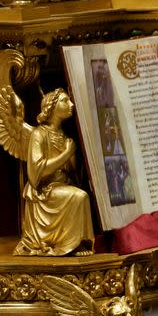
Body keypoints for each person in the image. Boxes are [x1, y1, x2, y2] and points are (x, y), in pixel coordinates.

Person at [15, 90, 95, 256]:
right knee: (80, 196)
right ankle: (73, 244)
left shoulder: (65, 137)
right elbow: (36, 172)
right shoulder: (39, 134)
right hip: (44, 192)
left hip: (61, 187)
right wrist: (66, 154)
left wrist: (72, 158)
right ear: (51, 107)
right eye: (65, 101)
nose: (71, 105)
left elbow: (73, 174)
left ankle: (76, 243)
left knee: (80, 194)